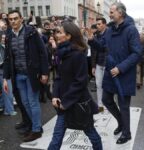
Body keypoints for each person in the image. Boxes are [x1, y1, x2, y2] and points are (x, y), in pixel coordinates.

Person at [88, 2, 142, 144]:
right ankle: (121, 122)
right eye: (110, 12)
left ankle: (126, 133)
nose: (109, 14)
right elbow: (102, 47)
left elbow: (137, 54)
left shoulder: (131, 30)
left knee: (123, 105)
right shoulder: (110, 29)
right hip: (110, 72)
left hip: (123, 73)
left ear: (121, 13)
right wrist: (92, 40)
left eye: (112, 12)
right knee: (106, 99)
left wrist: (120, 68)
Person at [48, 21, 102, 150]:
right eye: (57, 32)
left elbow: (81, 82)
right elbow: (59, 77)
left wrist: (65, 101)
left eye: (59, 32)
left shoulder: (78, 55)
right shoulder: (61, 53)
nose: (56, 35)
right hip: (63, 103)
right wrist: (55, 96)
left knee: (91, 134)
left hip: (78, 103)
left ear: (68, 36)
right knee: (57, 137)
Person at [3, 10, 49, 142]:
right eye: (10, 19)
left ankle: (36, 130)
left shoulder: (31, 32)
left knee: (33, 102)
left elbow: (42, 52)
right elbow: (7, 58)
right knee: (25, 103)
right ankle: (34, 125)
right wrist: (6, 78)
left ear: (21, 19)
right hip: (18, 75)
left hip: (31, 74)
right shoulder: (9, 35)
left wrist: (45, 72)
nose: (13, 21)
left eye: (15, 18)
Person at [91, 18, 107, 112]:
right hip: (98, 64)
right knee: (98, 84)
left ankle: (108, 104)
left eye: (99, 24)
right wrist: (93, 66)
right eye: (97, 24)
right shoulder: (95, 35)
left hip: (107, 63)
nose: (97, 25)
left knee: (107, 86)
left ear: (104, 24)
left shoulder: (109, 34)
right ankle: (100, 105)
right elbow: (93, 51)